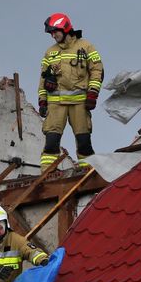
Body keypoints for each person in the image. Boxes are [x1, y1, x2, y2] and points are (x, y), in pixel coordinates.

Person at [37, 12, 104, 169]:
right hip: (55, 105)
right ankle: (48, 175)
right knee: (51, 143)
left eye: (55, 32)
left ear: (65, 28)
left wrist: (93, 93)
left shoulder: (86, 47)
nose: (53, 36)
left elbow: (97, 70)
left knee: (84, 143)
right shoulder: (50, 52)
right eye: (51, 33)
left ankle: (86, 173)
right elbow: (42, 78)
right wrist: (42, 100)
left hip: (79, 103)